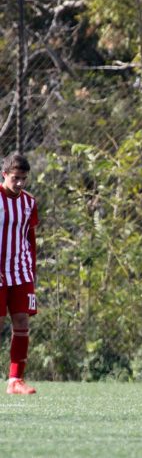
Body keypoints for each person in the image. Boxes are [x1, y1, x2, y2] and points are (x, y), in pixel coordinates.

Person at [0, 152, 39, 395]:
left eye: (23, 178)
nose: (20, 183)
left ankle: (15, 379)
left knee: (22, 321)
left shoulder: (29, 202)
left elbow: (30, 238)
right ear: (4, 175)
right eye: (15, 178)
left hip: (20, 270)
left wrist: (32, 269)